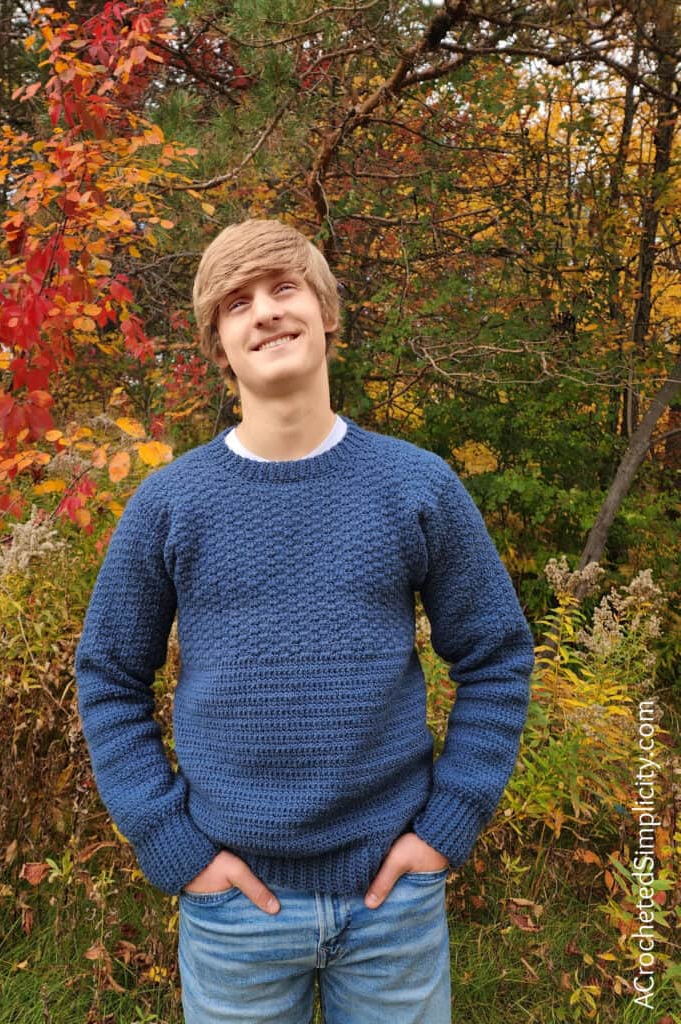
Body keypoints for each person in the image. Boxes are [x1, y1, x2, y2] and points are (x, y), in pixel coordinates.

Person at [74, 218, 535, 1023]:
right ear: (220, 345)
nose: (265, 312)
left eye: (284, 288)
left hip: (393, 899)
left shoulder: (415, 486)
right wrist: (172, 845)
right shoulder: (170, 504)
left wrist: (446, 826)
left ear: (326, 310)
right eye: (236, 302)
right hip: (232, 910)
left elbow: (496, 656)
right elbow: (110, 677)